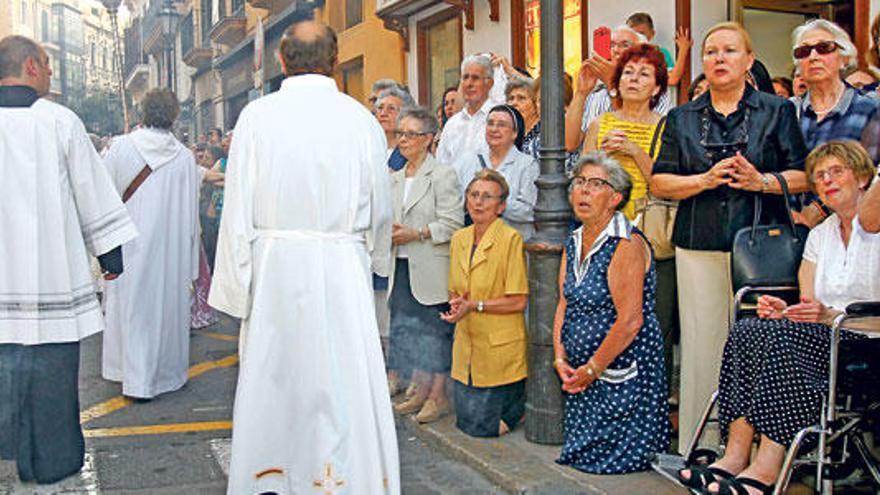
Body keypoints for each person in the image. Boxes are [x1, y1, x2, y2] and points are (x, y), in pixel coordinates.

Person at [208, 19, 398, 494]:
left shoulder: (257, 117)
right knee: (343, 381)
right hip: (341, 266)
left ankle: (274, 478)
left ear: (281, 59)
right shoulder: (360, 120)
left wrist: (236, 286)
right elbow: (381, 207)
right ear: (335, 60)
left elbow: (237, 210)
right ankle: (346, 481)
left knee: (277, 377)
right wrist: (375, 260)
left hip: (276, 269)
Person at [679, 140, 880, 494]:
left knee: (787, 338)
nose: (827, 181)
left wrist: (828, 316)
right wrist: (784, 311)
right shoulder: (820, 235)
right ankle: (735, 455)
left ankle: (767, 467)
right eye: (820, 176)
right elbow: (809, 301)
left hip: (866, 344)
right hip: (822, 337)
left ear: (864, 178)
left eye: (837, 172)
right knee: (750, 329)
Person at [650, 22, 809, 452]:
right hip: (697, 241)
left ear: (748, 60)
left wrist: (762, 181)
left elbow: (803, 174)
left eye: (730, 50)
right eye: (711, 51)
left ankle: (756, 450)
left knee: (759, 344)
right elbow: (659, 182)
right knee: (703, 345)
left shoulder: (778, 110)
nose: (719, 58)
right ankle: (701, 444)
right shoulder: (681, 117)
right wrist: (702, 180)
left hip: (761, 248)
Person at [0, 35, 137, 483]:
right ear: (32, 67)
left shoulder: (59, 120)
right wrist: (110, 254)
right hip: (50, 277)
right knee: (52, 374)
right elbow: (90, 192)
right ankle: (51, 460)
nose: (51, 72)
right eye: (47, 64)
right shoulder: (60, 121)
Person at [554, 153, 668, 474]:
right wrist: (560, 358)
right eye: (580, 182)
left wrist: (592, 368)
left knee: (613, 463)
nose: (583, 190)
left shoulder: (625, 243)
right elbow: (564, 302)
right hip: (584, 377)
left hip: (621, 373)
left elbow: (630, 321)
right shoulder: (574, 240)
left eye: (595, 184)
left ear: (615, 198)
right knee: (581, 458)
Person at [101, 88, 200, 400]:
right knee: (163, 311)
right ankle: (162, 375)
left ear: (142, 113)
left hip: (129, 245)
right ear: (173, 116)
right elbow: (191, 213)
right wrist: (191, 263)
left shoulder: (121, 147)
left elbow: (104, 199)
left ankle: (132, 376)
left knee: (132, 310)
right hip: (170, 251)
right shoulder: (184, 157)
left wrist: (103, 250)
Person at [386, 107, 463, 423]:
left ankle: (438, 396)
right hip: (400, 265)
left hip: (431, 266)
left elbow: (453, 223)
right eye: (400, 133)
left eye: (410, 134)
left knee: (435, 333)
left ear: (429, 139)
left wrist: (417, 233)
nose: (403, 140)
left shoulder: (442, 175)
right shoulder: (393, 178)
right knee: (410, 332)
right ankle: (419, 391)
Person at [441, 169, 529, 438]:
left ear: (501, 206)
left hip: (498, 348)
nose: (478, 202)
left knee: (485, 429)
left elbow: (518, 301)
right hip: (467, 344)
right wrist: (457, 306)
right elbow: (455, 290)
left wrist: (475, 306)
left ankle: (517, 411)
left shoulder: (510, 239)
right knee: (465, 424)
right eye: (474, 195)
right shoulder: (459, 238)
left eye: (487, 197)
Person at [791, 19, 880, 228]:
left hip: (853, 229)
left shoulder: (870, 108)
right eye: (804, 51)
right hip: (790, 229)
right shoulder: (787, 110)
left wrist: (819, 210)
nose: (813, 57)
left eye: (824, 48)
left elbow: (870, 174)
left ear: (844, 58)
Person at [582, 43, 667, 219]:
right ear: (618, 82)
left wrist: (634, 151)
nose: (634, 79)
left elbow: (665, 184)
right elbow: (583, 179)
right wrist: (602, 155)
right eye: (628, 72)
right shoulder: (600, 123)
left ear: (656, 88)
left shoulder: (666, 127)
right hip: (603, 219)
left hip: (647, 220)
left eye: (644, 74)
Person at [565, 25, 672, 153]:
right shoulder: (596, 93)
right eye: (611, 45)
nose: (616, 50)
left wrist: (611, 84)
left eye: (625, 45)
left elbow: (638, 135)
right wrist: (581, 93)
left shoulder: (653, 90)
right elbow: (570, 144)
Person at [458, 104, 539, 239]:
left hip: (512, 243)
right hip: (475, 241)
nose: (494, 129)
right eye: (490, 124)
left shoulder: (527, 165)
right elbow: (457, 201)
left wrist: (497, 203)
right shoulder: (468, 161)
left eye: (501, 125)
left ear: (514, 133)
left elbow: (530, 211)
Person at [436, 54, 500, 180]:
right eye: (465, 78)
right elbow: (441, 166)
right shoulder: (452, 124)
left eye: (475, 78)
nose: (469, 84)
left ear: (489, 83)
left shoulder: (500, 119)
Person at [626, 12, 692, 87]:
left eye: (642, 34)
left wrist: (683, 49)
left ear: (652, 34)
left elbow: (672, 79)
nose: (638, 37)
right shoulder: (623, 55)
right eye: (633, 34)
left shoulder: (660, 53)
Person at [375, 86, 413, 171]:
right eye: (380, 108)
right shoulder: (369, 149)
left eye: (391, 108)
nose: (383, 114)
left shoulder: (412, 152)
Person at [505, 77, 540, 157]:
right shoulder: (509, 135)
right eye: (511, 98)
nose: (514, 103)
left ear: (535, 104)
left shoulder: (545, 135)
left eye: (521, 98)